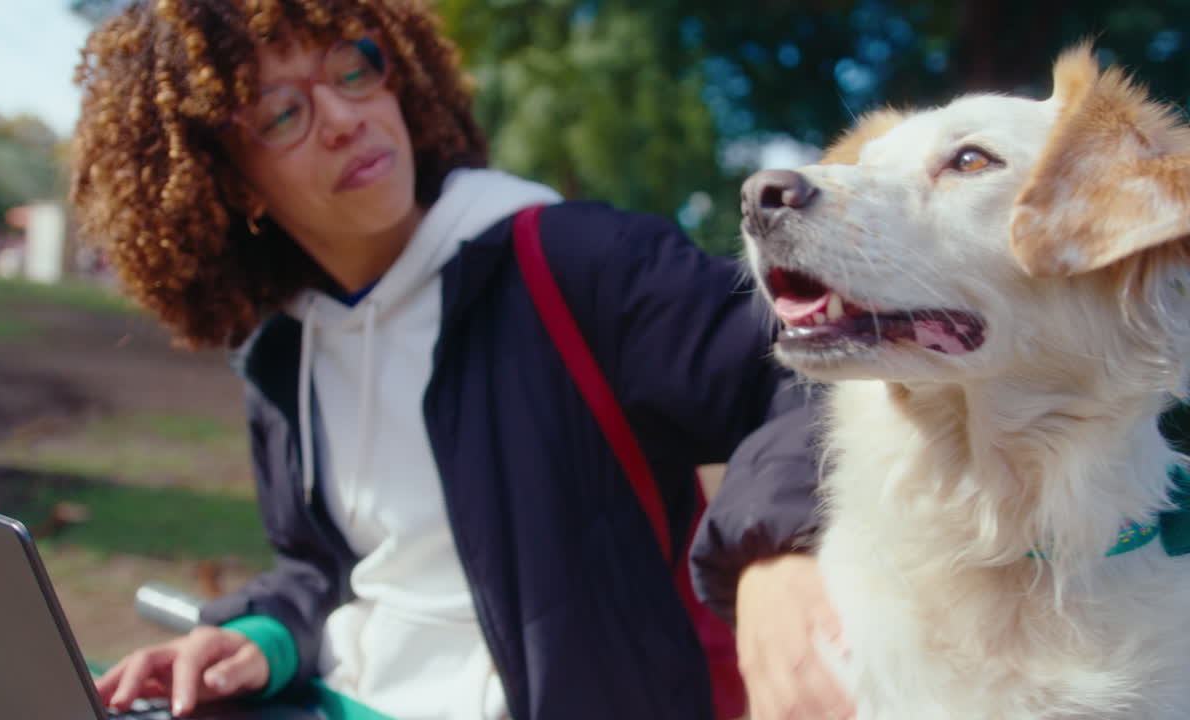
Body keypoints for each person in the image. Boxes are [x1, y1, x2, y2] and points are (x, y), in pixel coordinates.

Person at [71, 1, 850, 719]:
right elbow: (326, 571)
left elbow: (814, 369)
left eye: (354, 69)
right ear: (229, 183)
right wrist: (262, 637)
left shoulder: (577, 263)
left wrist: (774, 552)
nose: (345, 117)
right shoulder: (285, 355)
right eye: (281, 113)